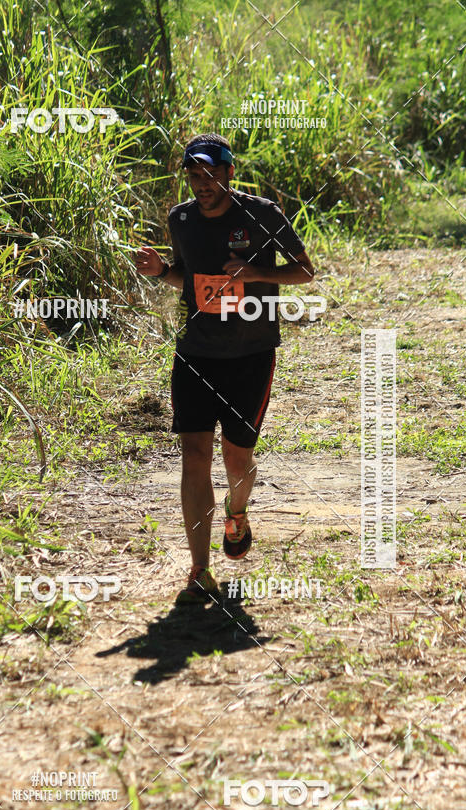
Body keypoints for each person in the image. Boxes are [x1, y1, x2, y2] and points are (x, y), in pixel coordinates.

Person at [135, 133, 315, 605]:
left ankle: (238, 513)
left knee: (237, 459)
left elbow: (304, 271)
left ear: (229, 172)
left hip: (251, 355)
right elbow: (186, 279)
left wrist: (255, 274)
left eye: (211, 174)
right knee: (194, 456)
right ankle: (199, 569)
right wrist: (160, 272)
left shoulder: (263, 214)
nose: (203, 184)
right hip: (195, 353)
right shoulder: (181, 219)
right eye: (195, 176)